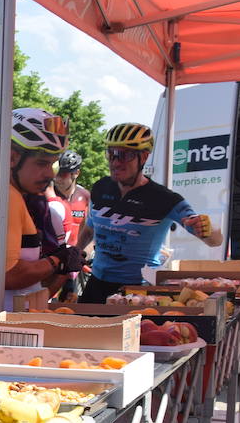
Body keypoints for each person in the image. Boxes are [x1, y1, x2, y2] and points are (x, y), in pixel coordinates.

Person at [0, 108, 85, 323]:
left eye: (52, 163)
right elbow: (8, 274)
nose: (50, 173)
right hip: (1, 318)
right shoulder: (6, 197)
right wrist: (58, 261)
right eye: (42, 163)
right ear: (12, 157)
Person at [79, 122, 223, 304]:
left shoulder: (163, 198)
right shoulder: (100, 188)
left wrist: (208, 229)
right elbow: (89, 229)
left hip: (138, 289)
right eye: (111, 154)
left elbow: (215, 241)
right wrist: (77, 251)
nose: (115, 162)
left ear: (144, 157)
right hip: (97, 283)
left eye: (124, 155)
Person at [48, 150, 89, 300]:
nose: (58, 178)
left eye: (63, 174)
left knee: (69, 303)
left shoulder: (85, 197)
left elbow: (91, 230)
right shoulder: (50, 196)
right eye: (57, 173)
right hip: (54, 260)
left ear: (76, 173)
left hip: (75, 263)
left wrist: (85, 253)